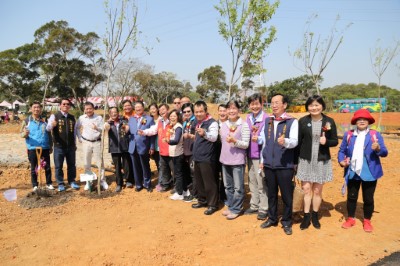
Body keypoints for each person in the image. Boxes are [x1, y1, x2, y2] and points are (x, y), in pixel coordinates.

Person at [338, 109, 388, 232]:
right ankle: (350, 219)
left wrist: (378, 149)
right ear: (355, 121)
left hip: (369, 172)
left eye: (364, 119)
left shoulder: (375, 135)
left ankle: (367, 220)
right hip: (353, 171)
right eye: (359, 119)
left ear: (368, 121)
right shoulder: (349, 134)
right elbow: (342, 150)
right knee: (351, 197)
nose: (361, 121)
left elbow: (384, 153)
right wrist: (341, 161)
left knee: (368, 198)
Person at [259, 93, 298, 235]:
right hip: (269, 164)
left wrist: (285, 142)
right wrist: (263, 161)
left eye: (277, 102)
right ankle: (272, 218)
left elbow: (294, 141)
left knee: (287, 195)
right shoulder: (267, 121)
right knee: (272, 194)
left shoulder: (292, 122)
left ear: (284, 105)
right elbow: (264, 143)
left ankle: (287, 221)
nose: (274, 105)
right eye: (272, 103)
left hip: (284, 165)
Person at [297, 95, 338, 230]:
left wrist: (327, 142)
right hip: (306, 160)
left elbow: (335, 141)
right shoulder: (302, 121)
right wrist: (295, 162)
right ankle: (306, 216)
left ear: (322, 106)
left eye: (317, 105)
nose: (314, 108)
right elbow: (298, 142)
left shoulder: (329, 121)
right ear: (307, 107)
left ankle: (315, 215)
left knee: (317, 190)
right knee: (306, 189)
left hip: (321, 160)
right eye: (311, 105)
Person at [219, 100, 250, 220]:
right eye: (229, 108)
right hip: (225, 160)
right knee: (228, 186)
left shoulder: (244, 125)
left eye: (234, 108)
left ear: (239, 110)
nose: (231, 111)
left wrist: (235, 141)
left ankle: (236, 209)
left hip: (237, 161)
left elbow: (246, 144)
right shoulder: (223, 125)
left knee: (238, 187)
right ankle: (231, 206)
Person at [190, 100, 219, 215]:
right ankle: (202, 200)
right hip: (197, 156)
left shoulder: (212, 123)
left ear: (206, 111)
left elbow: (214, 137)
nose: (198, 114)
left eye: (201, 111)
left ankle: (212, 204)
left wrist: (205, 134)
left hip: (207, 157)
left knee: (209, 182)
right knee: (199, 181)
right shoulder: (197, 122)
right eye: (196, 112)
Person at [245, 93, 269, 221]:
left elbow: (266, 140)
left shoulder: (266, 118)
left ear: (262, 104)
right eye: (252, 104)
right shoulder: (248, 118)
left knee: (261, 183)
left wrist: (263, 159)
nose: (254, 106)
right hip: (250, 154)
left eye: (257, 103)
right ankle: (254, 205)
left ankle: (264, 208)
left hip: (260, 156)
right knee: (252, 181)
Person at [46, 98, 80, 191]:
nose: (66, 105)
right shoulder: (55, 116)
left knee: (72, 165)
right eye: (64, 104)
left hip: (71, 146)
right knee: (58, 166)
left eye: (68, 104)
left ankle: (72, 181)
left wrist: (75, 143)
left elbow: (74, 132)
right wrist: (52, 125)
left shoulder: (72, 117)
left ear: (69, 106)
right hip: (59, 146)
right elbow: (48, 128)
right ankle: (60, 183)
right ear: (60, 105)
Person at [139, 103, 174, 192]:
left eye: (154, 108)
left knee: (173, 167)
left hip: (170, 147)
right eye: (151, 109)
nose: (153, 110)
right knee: (162, 166)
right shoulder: (149, 119)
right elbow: (152, 130)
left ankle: (176, 186)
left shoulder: (171, 120)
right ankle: (165, 183)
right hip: (158, 147)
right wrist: (143, 132)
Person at [20, 101, 54, 191]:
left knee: (47, 167)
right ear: (31, 109)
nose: (36, 109)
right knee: (34, 167)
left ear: (41, 109)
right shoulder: (27, 121)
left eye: (38, 107)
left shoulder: (45, 120)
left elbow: (49, 134)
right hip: (32, 147)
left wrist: (51, 146)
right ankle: (35, 185)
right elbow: (21, 134)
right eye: (34, 107)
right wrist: (25, 134)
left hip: (45, 147)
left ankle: (49, 183)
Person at [75, 102, 108, 190]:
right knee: (87, 162)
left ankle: (102, 180)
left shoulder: (99, 117)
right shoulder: (81, 118)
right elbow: (77, 128)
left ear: (93, 109)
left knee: (99, 162)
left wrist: (97, 128)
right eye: (87, 109)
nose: (88, 110)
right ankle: (88, 181)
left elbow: (103, 129)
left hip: (97, 142)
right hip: (86, 142)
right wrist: (80, 137)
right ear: (84, 110)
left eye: (90, 108)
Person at [128, 101, 155, 192]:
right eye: (136, 107)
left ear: (143, 108)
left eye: (140, 107)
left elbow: (152, 134)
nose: (138, 109)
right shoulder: (131, 119)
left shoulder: (149, 119)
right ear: (134, 109)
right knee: (135, 167)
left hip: (144, 146)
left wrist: (151, 147)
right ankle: (138, 184)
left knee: (145, 166)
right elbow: (129, 132)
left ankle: (147, 184)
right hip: (132, 146)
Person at [104, 107, 131, 192]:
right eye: (112, 113)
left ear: (118, 113)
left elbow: (127, 129)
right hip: (114, 147)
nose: (114, 114)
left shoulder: (123, 121)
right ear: (109, 114)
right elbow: (106, 128)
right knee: (117, 166)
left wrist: (126, 127)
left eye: (115, 112)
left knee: (126, 165)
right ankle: (119, 183)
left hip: (124, 146)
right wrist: (107, 124)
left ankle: (128, 180)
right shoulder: (108, 123)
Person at [165, 109, 190, 200]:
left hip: (178, 153)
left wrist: (168, 141)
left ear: (178, 117)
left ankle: (179, 193)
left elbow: (176, 140)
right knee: (179, 173)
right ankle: (183, 190)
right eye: (171, 116)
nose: (172, 118)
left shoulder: (178, 127)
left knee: (178, 174)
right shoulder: (174, 126)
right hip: (175, 153)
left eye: (174, 116)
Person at [181, 103, 196, 202]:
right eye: (184, 112)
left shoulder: (196, 121)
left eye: (188, 111)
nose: (186, 113)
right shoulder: (185, 122)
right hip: (186, 151)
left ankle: (195, 195)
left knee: (194, 173)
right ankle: (192, 191)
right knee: (189, 173)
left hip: (194, 151)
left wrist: (190, 136)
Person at [121, 99, 135, 187]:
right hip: (125, 142)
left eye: (128, 105)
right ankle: (129, 179)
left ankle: (138, 178)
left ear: (131, 106)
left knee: (136, 160)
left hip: (135, 141)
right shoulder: (121, 118)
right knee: (126, 161)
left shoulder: (136, 116)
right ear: (123, 108)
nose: (127, 107)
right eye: (125, 106)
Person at [216, 104, 228, 204]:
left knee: (225, 177)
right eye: (220, 111)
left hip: (227, 155)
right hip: (215, 154)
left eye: (224, 111)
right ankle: (216, 195)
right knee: (215, 175)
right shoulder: (214, 124)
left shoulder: (231, 125)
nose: (222, 113)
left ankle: (224, 197)